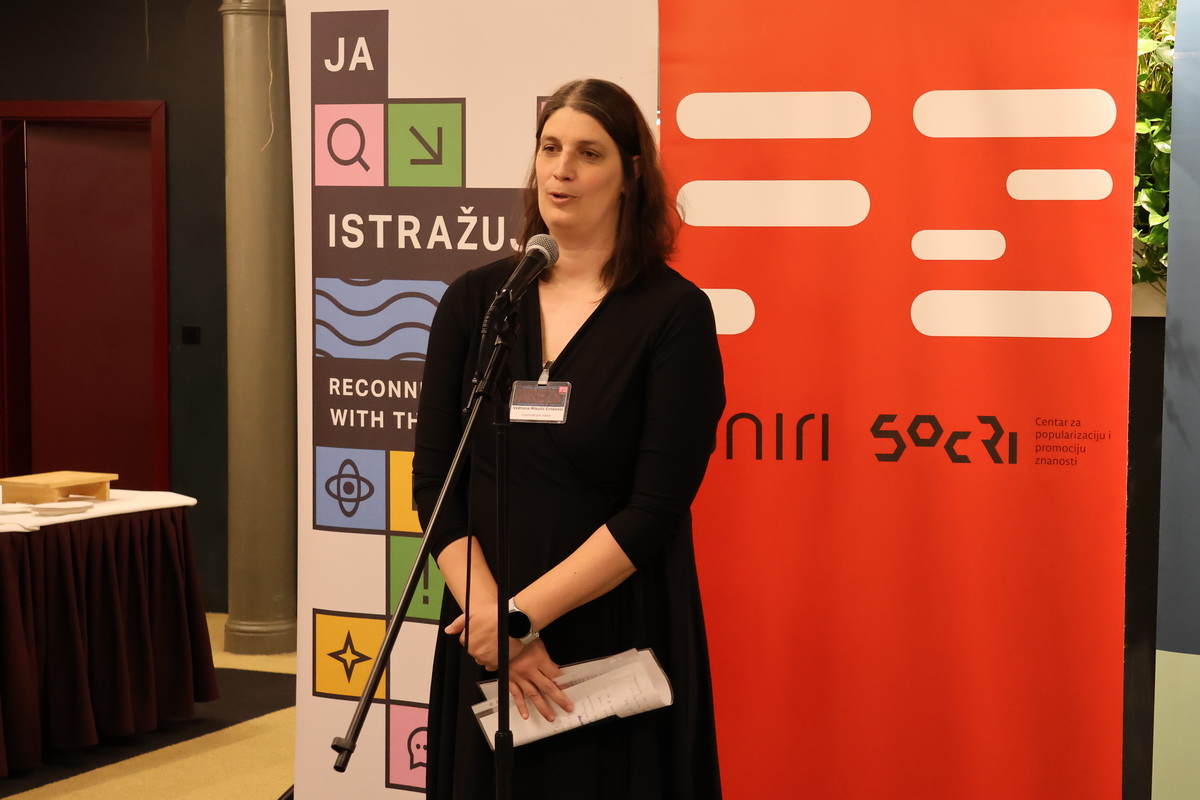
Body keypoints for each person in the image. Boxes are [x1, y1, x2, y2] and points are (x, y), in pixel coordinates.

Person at [412, 77, 725, 799]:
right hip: (486, 633)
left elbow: (655, 508)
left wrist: (524, 619)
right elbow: (436, 481)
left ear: (630, 174)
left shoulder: (674, 315)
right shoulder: (476, 302)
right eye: (550, 148)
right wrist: (493, 620)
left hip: (610, 635)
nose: (562, 170)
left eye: (589, 153)